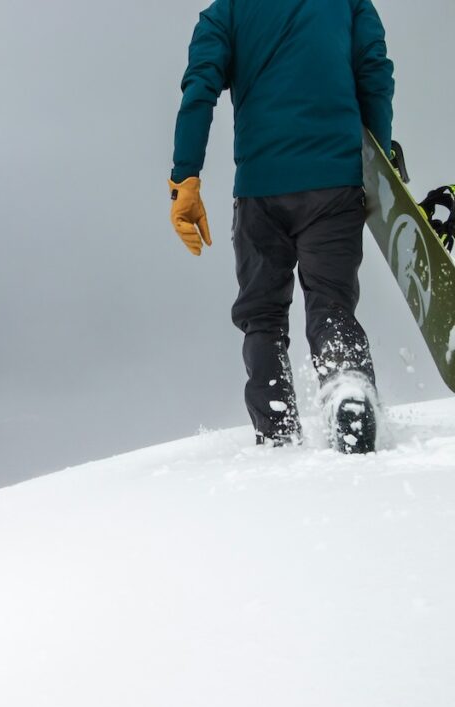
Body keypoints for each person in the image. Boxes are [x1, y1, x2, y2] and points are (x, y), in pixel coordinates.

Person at [168, 0, 395, 453]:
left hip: (260, 192)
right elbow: (374, 70)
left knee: (262, 317)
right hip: (335, 181)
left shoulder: (224, 13)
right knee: (331, 307)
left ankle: (276, 431)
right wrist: (379, 158)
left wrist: (184, 178)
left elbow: (199, 90)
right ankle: (348, 388)